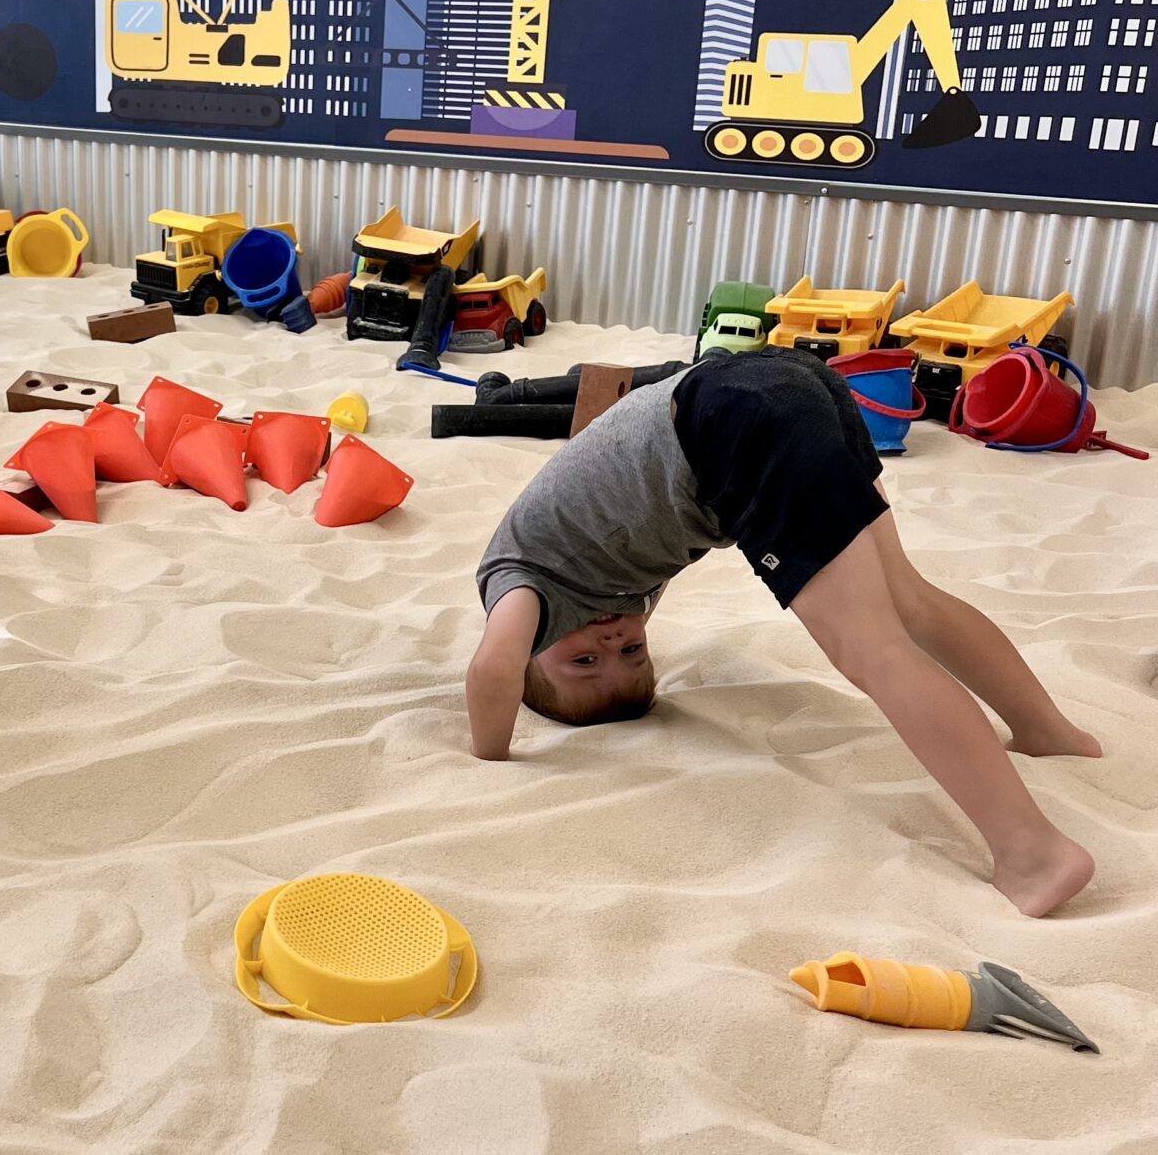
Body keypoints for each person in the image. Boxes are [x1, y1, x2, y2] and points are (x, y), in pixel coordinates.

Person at [463, 346, 1101, 917]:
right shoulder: (601, 586)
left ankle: (1032, 852)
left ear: (532, 653)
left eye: (583, 663)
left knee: (871, 647)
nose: (608, 642)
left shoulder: (524, 588)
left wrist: (489, 756)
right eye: (632, 651)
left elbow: (495, 669)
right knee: (908, 599)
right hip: (783, 382)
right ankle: (1048, 732)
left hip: (730, 423)